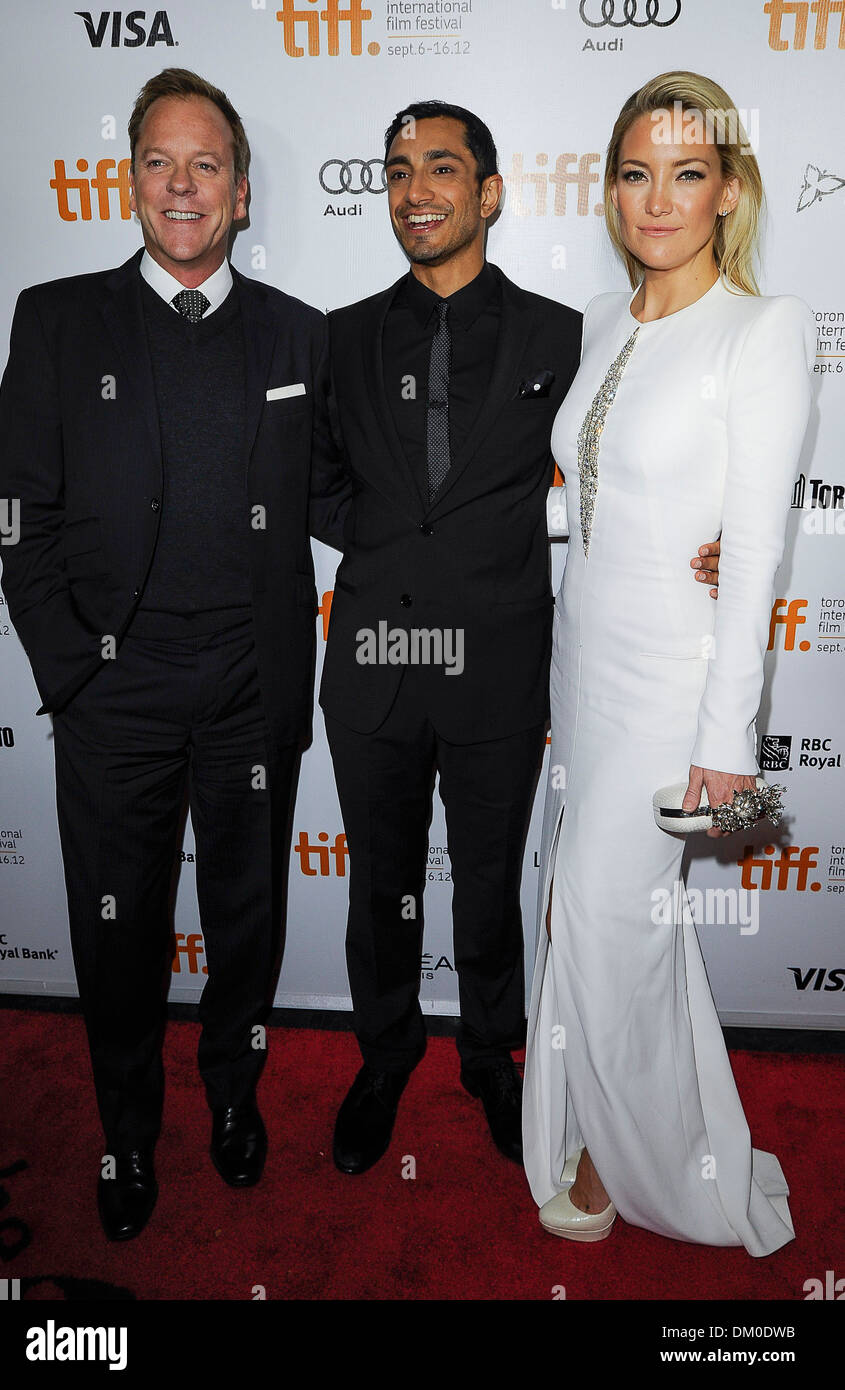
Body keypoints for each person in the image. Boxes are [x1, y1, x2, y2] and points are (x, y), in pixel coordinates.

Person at [319, 101, 720, 1175]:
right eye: (397, 168)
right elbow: (316, 480)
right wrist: (402, 549)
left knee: (490, 880)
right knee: (380, 880)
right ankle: (384, 1052)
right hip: (373, 667)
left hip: (499, 667)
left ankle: (490, 1057)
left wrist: (707, 533)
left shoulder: (565, 332)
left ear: (487, 193)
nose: (416, 190)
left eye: (440, 168)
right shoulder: (340, 333)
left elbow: (634, 448)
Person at [0, 68, 346, 1241]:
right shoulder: (55, 317)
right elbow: (16, 513)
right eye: (159, 161)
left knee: (246, 921)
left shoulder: (301, 332)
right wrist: (69, 674)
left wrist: (549, 514)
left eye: (206, 166)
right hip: (114, 696)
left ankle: (233, 1100)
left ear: (241, 193)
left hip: (251, 693)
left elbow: (355, 501)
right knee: (117, 928)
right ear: (129, 178)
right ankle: (125, 1131)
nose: (182, 186)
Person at [521, 71, 814, 1253]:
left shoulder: (764, 329)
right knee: (591, 916)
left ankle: (664, 1170)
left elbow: (749, 553)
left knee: (608, 916)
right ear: (610, 189)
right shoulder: (601, 321)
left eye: (685, 172)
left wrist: (721, 748)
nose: (656, 198)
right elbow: (590, 500)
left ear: (726, 189)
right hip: (578, 661)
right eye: (635, 172)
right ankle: (598, 1112)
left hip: (672, 691)